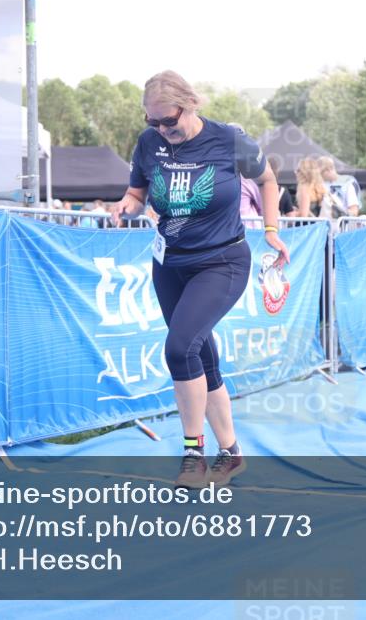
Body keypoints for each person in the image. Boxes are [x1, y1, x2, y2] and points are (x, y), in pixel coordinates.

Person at [112, 71, 289, 488]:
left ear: (189, 105)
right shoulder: (148, 143)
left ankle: (194, 453)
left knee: (179, 349)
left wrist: (271, 230)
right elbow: (137, 194)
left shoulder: (228, 139)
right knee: (199, 356)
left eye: (169, 121)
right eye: (152, 121)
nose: (161, 129)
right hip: (170, 264)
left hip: (222, 262)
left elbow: (267, 180)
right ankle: (232, 452)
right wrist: (127, 205)